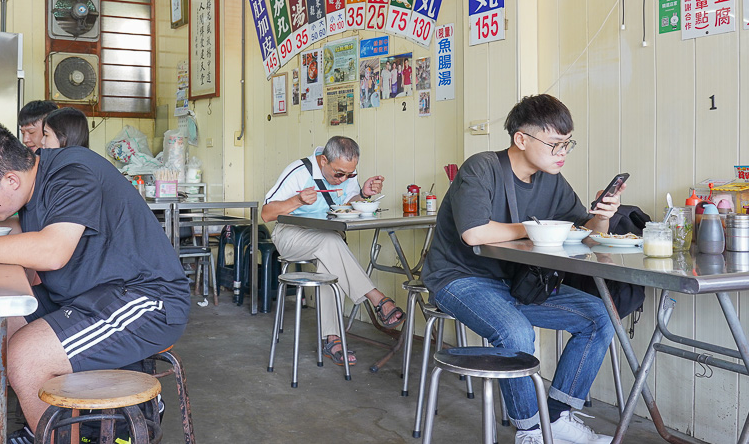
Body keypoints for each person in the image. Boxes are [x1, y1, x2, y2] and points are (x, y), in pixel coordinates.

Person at [0, 122, 190, 444]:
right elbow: (24, 246)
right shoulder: (32, 185)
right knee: (5, 316)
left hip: (146, 298)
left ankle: (107, 420)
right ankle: (50, 428)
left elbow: (52, 251)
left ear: (11, 180)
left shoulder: (72, 172)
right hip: (88, 297)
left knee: (26, 356)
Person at [422, 94, 620, 444]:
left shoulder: (552, 180)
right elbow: (474, 233)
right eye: (555, 144)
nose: (562, 153)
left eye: (567, 144)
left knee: (601, 316)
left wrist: (602, 218)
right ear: (521, 139)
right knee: (515, 333)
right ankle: (530, 430)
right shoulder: (481, 168)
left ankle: (556, 418)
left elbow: (585, 234)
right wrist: (538, 227)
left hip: (514, 282)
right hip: (459, 278)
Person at [261, 136, 402, 366]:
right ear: (324, 160)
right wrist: (297, 199)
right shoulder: (298, 171)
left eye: (350, 174)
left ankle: (332, 338)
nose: (344, 179)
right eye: (339, 174)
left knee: (329, 254)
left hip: (326, 239)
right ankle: (377, 298)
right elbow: (266, 213)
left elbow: (346, 204)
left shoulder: (345, 174)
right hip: (289, 235)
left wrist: (362, 195)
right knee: (330, 243)